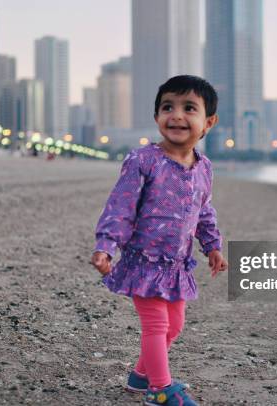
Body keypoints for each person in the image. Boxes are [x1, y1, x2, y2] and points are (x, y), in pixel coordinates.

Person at [91, 75, 228, 405]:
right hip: (144, 262)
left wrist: (212, 246)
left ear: (208, 122)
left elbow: (203, 211)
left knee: (175, 326)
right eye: (168, 107)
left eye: (189, 108)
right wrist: (106, 244)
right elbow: (121, 205)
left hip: (176, 265)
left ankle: (141, 376)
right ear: (156, 118)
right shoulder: (143, 161)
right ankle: (161, 390)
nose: (177, 115)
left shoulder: (204, 167)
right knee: (156, 325)